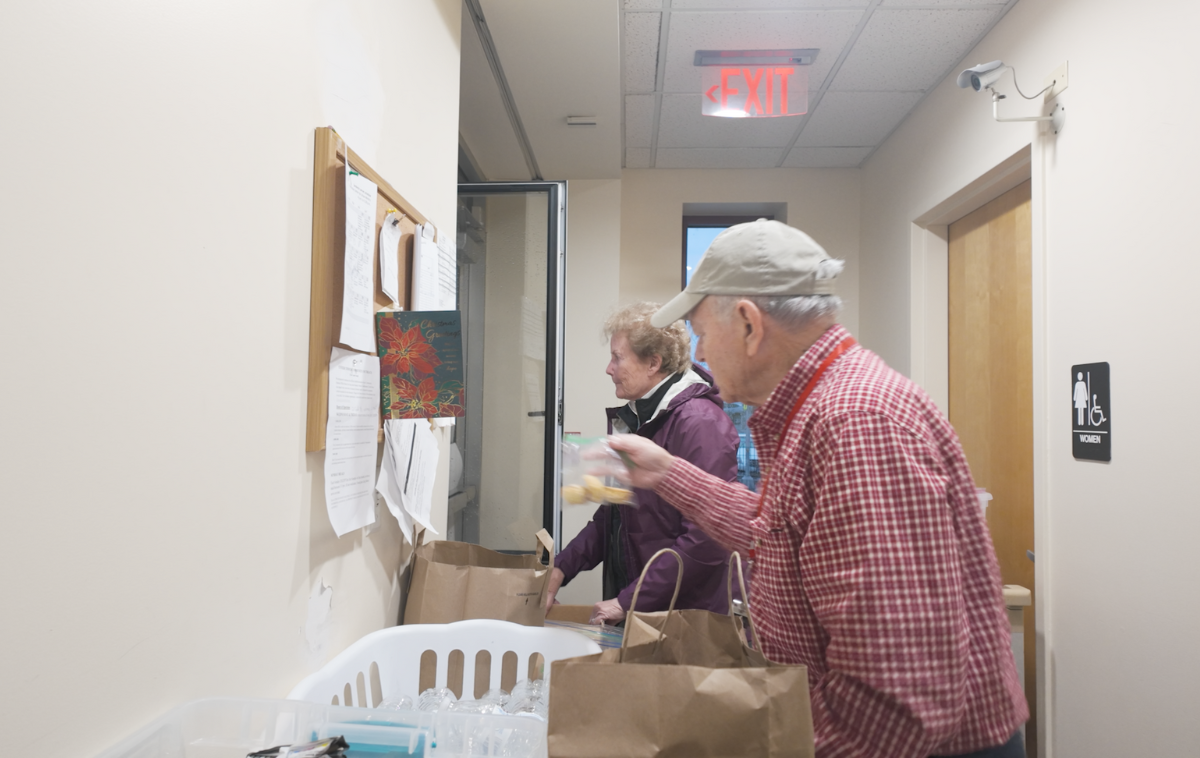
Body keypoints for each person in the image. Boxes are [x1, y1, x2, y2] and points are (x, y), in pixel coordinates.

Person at [609, 220, 1028, 758]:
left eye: (700, 331)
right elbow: (779, 531)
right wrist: (668, 472)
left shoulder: (854, 422)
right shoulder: (821, 407)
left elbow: (894, 704)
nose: (702, 354)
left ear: (748, 324)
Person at [545, 302, 740, 625]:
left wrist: (627, 601)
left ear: (653, 363)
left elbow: (706, 540)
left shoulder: (700, 424)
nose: (609, 369)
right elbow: (614, 515)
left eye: (617, 357)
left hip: (686, 618)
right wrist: (562, 567)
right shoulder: (637, 418)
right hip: (647, 608)